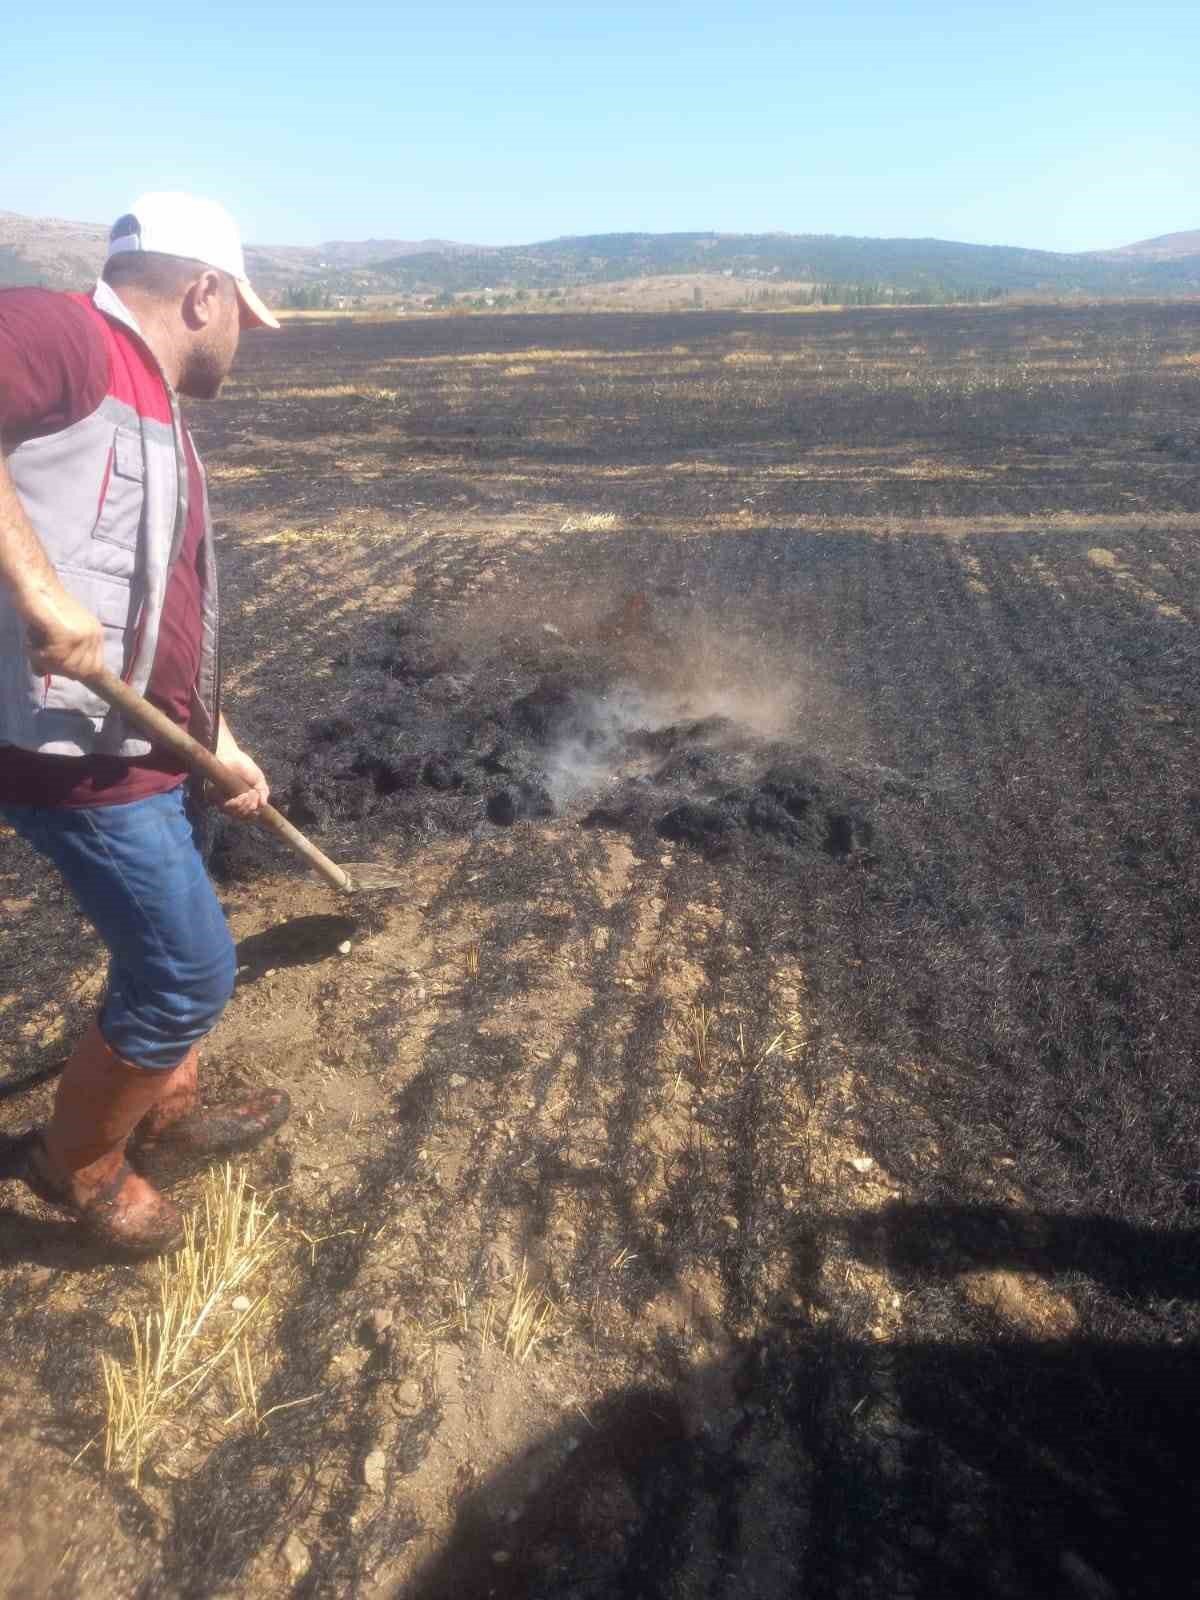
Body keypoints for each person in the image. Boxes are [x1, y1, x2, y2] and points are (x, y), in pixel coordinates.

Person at [0, 193, 291, 1255]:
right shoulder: (70, 336)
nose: (241, 345)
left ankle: (159, 1102)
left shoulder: (156, 409)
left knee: (166, 943)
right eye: (241, 321)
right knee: (188, 968)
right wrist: (38, 596)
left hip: (145, 749)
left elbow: (158, 609)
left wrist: (213, 736)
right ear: (202, 293)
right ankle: (71, 1164)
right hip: (70, 752)